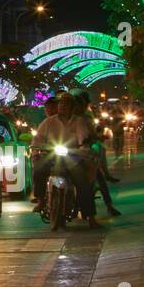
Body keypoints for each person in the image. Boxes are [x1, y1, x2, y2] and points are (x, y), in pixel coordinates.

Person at [30, 92, 98, 228]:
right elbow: (37, 139)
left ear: (72, 107)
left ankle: (91, 217)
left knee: (83, 183)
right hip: (51, 155)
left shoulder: (79, 122)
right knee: (38, 170)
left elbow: (82, 138)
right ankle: (40, 200)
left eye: (66, 104)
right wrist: (36, 150)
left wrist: (83, 148)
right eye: (61, 103)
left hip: (71, 157)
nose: (62, 106)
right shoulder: (48, 122)